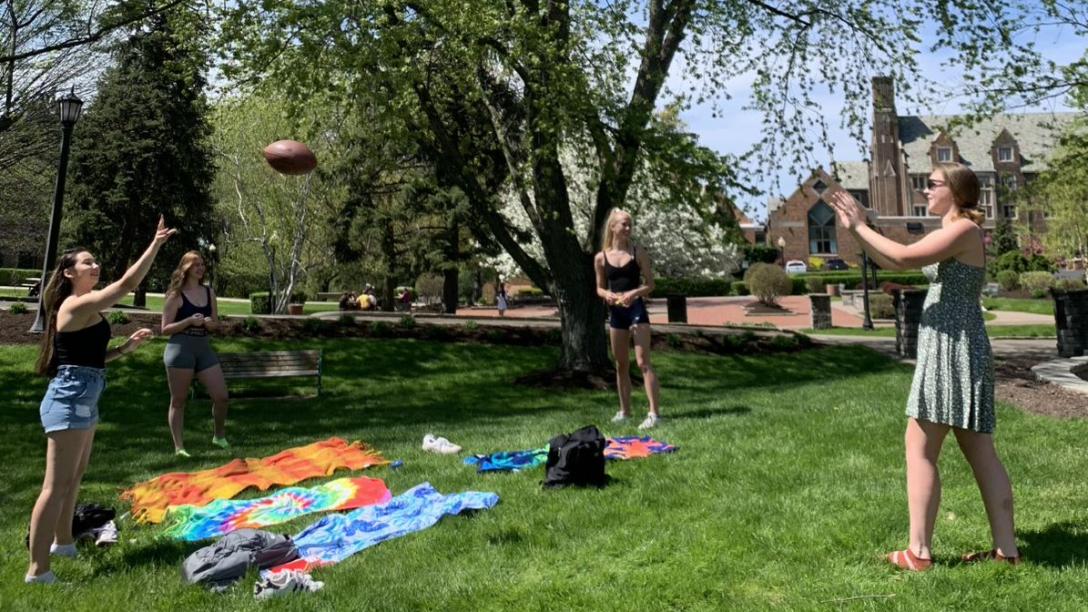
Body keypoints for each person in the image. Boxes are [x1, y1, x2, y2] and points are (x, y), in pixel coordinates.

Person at [828, 163, 1019, 571]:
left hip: (953, 349)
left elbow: (901, 256)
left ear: (955, 190)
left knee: (920, 448)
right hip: (956, 347)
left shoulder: (963, 230)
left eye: (932, 185)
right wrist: (856, 229)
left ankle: (919, 553)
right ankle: (1007, 553)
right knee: (979, 451)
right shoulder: (952, 230)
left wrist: (862, 225)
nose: (925, 192)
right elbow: (893, 260)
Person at [26, 216, 175, 585]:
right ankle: (37, 570)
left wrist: (126, 348)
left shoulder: (84, 306)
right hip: (70, 397)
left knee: (74, 477)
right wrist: (155, 243)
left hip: (85, 393)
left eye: (95, 262)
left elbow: (88, 358)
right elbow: (128, 283)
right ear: (68, 273)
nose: (95, 266)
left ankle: (63, 542)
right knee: (54, 486)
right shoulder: (74, 307)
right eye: (87, 263)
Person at [593, 209, 662, 430]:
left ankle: (654, 414)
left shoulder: (637, 252)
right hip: (617, 314)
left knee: (643, 362)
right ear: (613, 227)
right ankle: (625, 411)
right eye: (624, 224)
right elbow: (599, 288)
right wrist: (608, 295)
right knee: (621, 364)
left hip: (636, 310)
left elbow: (650, 284)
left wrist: (633, 293)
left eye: (630, 225)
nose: (628, 229)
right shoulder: (601, 258)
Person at [161, 251, 230, 457]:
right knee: (179, 400)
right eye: (196, 265)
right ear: (186, 268)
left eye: (202, 264)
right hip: (180, 350)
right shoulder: (175, 294)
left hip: (203, 347)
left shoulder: (209, 293)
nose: (201, 268)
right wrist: (189, 321)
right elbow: (164, 329)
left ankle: (219, 436)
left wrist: (210, 324)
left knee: (222, 396)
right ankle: (179, 447)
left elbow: (216, 324)